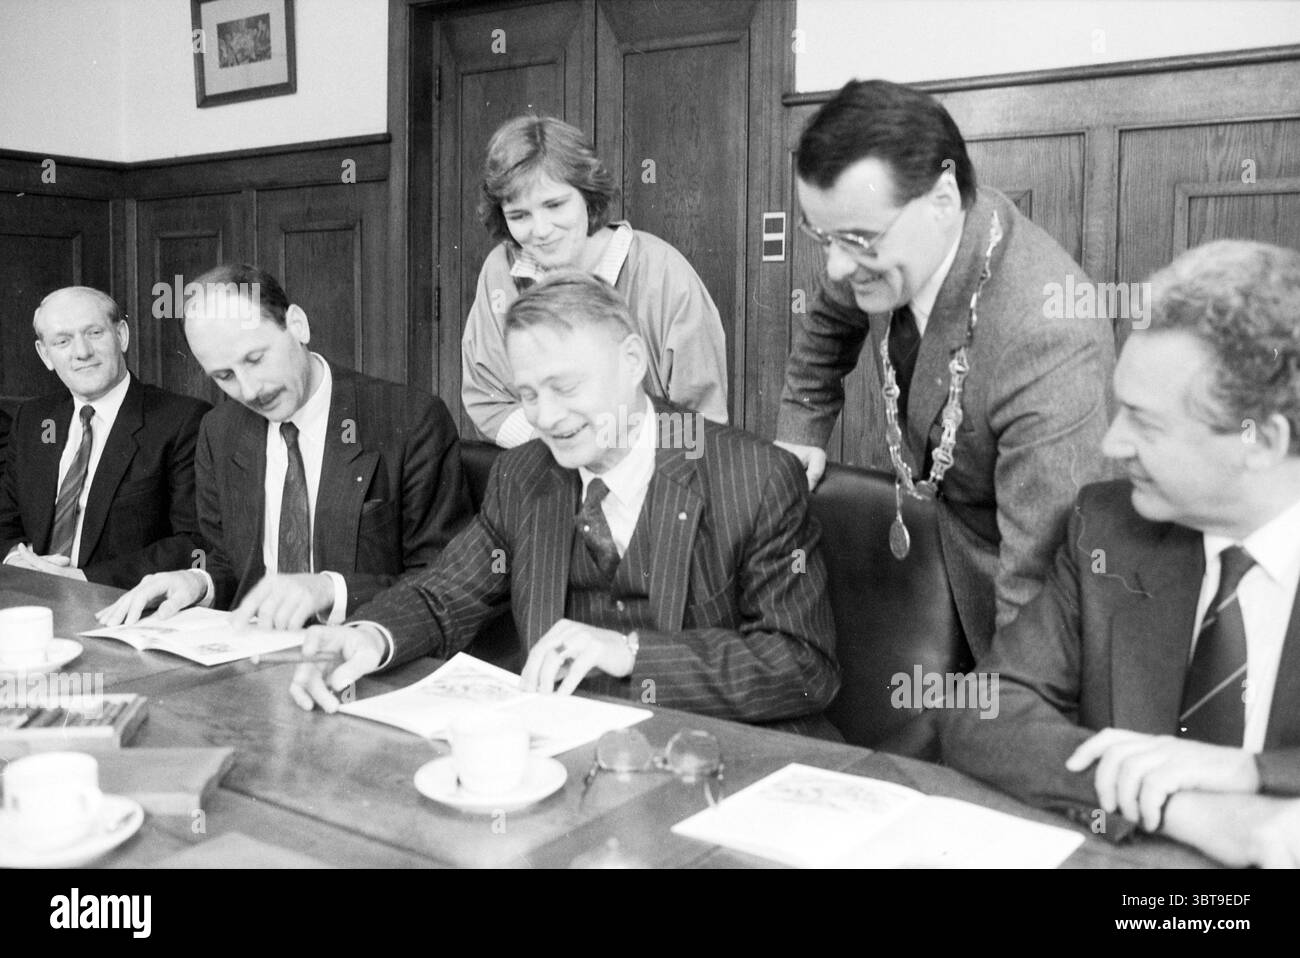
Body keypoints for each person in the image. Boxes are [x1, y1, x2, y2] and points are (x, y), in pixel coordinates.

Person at [290, 271, 840, 736]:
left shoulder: (756, 475)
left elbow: (802, 665)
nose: (547, 417)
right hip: (563, 753)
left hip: (715, 755)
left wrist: (630, 651)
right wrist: (368, 635)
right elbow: (442, 596)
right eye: (528, 395)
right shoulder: (524, 474)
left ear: (631, 361)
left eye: (566, 387)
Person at [940, 240, 1300, 853]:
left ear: (1261, 441)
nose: (1111, 443)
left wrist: (1257, 776)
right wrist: (1183, 809)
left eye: (1146, 421)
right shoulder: (1107, 528)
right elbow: (986, 709)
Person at [774, 80, 1116, 660]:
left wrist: (1006, 711)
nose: (834, 264)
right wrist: (801, 425)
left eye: (856, 239)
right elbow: (831, 319)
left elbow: (1041, 582)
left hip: (1010, 592)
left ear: (941, 199)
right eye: (823, 236)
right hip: (928, 564)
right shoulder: (873, 246)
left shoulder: (1049, 336)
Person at [97, 264, 472, 629]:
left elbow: (443, 578)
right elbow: (232, 561)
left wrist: (331, 590)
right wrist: (200, 583)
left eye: (256, 359)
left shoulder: (408, 420)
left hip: (366, 653)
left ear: (297, 325)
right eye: (224, 376)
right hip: (256, 657)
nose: (250, 390)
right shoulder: (220, 431)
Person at [462, 114, 729, 446]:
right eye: (519, 215)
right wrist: (563, 448)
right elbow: (487, 401)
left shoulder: (664, 275)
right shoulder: (500, 269)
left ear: (587, 196)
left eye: (555, 205)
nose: (541, 230)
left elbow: (700, 425)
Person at [0, 287, 209, 588]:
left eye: (94, 333)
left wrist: (83, 579)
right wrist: (17, 560)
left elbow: (194, 543)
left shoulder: (182, 421)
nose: (82, 352)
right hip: (34, 599)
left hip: (122, 605)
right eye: (62, 341)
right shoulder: (33, 420)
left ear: (121, 335)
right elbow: (5, 522)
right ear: (45, 354)